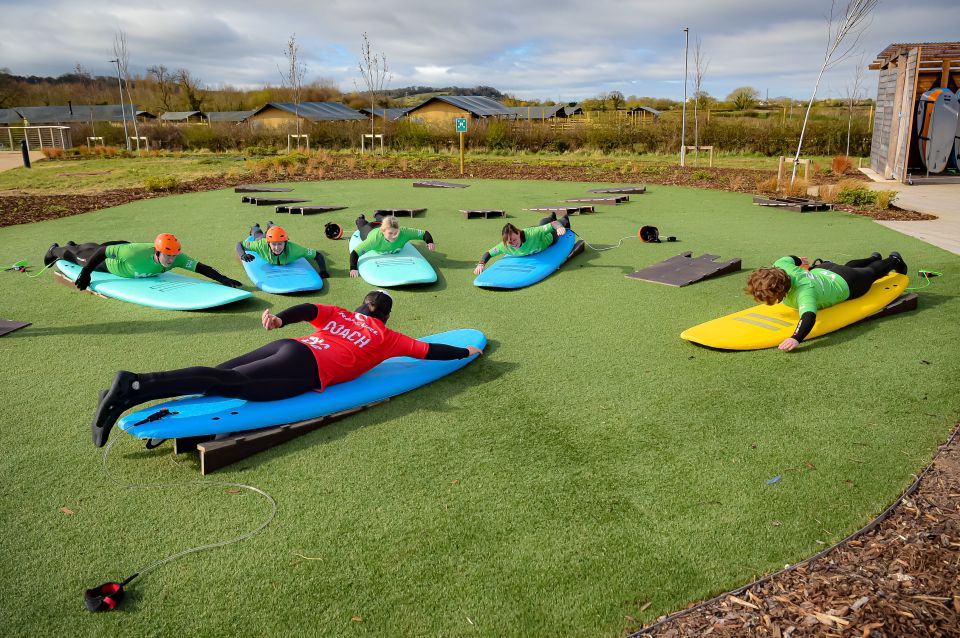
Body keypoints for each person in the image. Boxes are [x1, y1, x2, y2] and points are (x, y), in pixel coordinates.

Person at [90, 290, 484, 447]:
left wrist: (279, 319)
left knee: (214, 377)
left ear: (363, 307)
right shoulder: (387, 338)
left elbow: (310, 310)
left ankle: (144, 398)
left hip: (290, 344)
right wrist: (466, 351)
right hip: (305, 368)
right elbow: (430, 351)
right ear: (385, 315)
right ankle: (135, 386)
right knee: (225, 382)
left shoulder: (344, 314)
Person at [744, 252, 908, 352]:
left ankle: (894, 260)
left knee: (870, 273)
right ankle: (873, 257)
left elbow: (808, 316)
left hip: (847, 283)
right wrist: (800, 261)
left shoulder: (804, 292)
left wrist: (796, 337)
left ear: (781, 291)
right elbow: (792, 258)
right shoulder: (780, 265)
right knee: (848, 266)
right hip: (826, 270)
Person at [45, 234, 242, 291]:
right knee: (79, 256)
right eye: (167, 257)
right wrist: (86, 272)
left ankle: (74, 244)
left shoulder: (176, 257)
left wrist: (223, 279)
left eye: (174, 256)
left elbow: (201, 267)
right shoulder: (134, 253)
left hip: (124, 248)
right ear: (156, 252)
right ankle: (55, 249)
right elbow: (104, 252)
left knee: (89, 247)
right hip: (112, 263)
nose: (171, 261)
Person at [474, 212, 571, 275]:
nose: (513, 243)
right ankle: (551, 216)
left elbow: (554, 225)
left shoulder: (533, 233)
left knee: (550, 222)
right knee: (544, 222)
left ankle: (565, 218)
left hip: (549, 238)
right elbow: (489, 253)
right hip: (535, 231)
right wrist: (481, 264)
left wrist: (559, 227)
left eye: (514, 240)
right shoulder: (505, 246)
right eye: (509, 242)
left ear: (518, 233)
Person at [349, 214, 435, 278]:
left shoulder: (404, 232)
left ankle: (377, 214)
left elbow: (425, 233)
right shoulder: (374, 240)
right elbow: (355, 253)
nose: (394, 236)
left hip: (383, 224)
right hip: (370, 230)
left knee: (384, 219)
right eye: (390, 233)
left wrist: (429, 242)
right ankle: (360, 218)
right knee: (362, 225)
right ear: (382, 231)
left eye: (396, 233)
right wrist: (353, 268)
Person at [236, 222, 330, 278]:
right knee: (257, 235)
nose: (277, 248)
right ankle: (255, 226)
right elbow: (239, 244)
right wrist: (242, 255)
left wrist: (323, 271)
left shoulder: (295, 249)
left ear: (286, 242)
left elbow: (318, 255)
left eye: (280, 244)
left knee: (274, 229)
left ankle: (270, 224)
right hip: (262, 238)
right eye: (274, 244)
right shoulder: (261, 245)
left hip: (274, 234)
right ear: (268, 243)